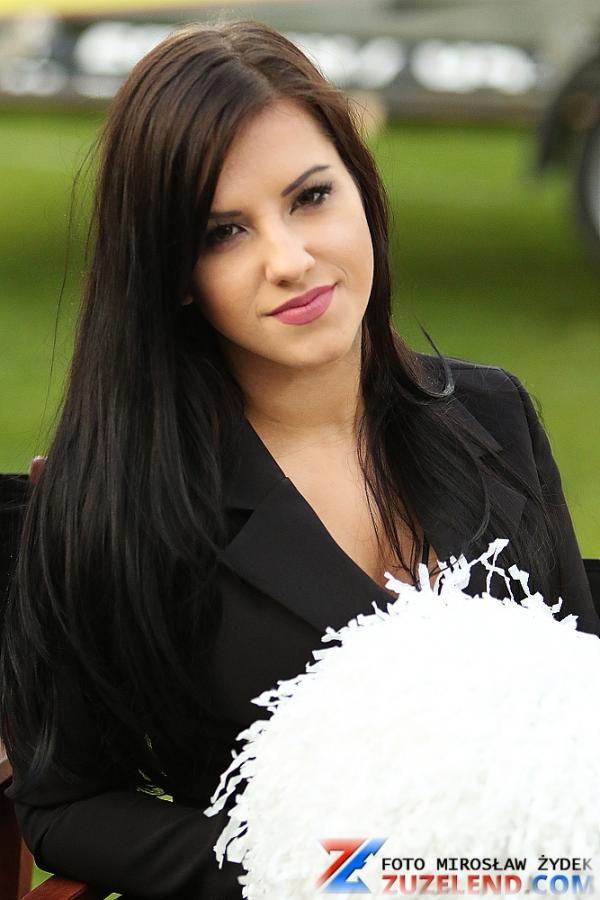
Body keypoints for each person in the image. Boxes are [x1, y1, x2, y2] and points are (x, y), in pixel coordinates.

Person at [0, 19, 598, 900]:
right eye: (223, 232)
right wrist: (324, 872)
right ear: (174, 273)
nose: (289, 260)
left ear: (362, 190)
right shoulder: (124, 495)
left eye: (311, 197)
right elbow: (66, 803)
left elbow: (579, 694)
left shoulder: (494, 413)